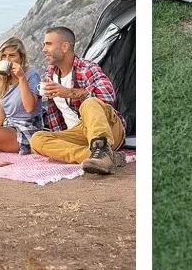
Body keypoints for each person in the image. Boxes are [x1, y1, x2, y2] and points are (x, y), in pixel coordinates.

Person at [29, 26, 126, 176]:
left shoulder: (87, 68)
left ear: (65, 47)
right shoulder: (50, 76)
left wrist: (70, 93)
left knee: (90, 102)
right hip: (78, 133)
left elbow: (108, 97)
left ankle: (102, 148)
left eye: (48, 44)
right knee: (37, 139)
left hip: (107, 127)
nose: (43, 49)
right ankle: (97, 157)